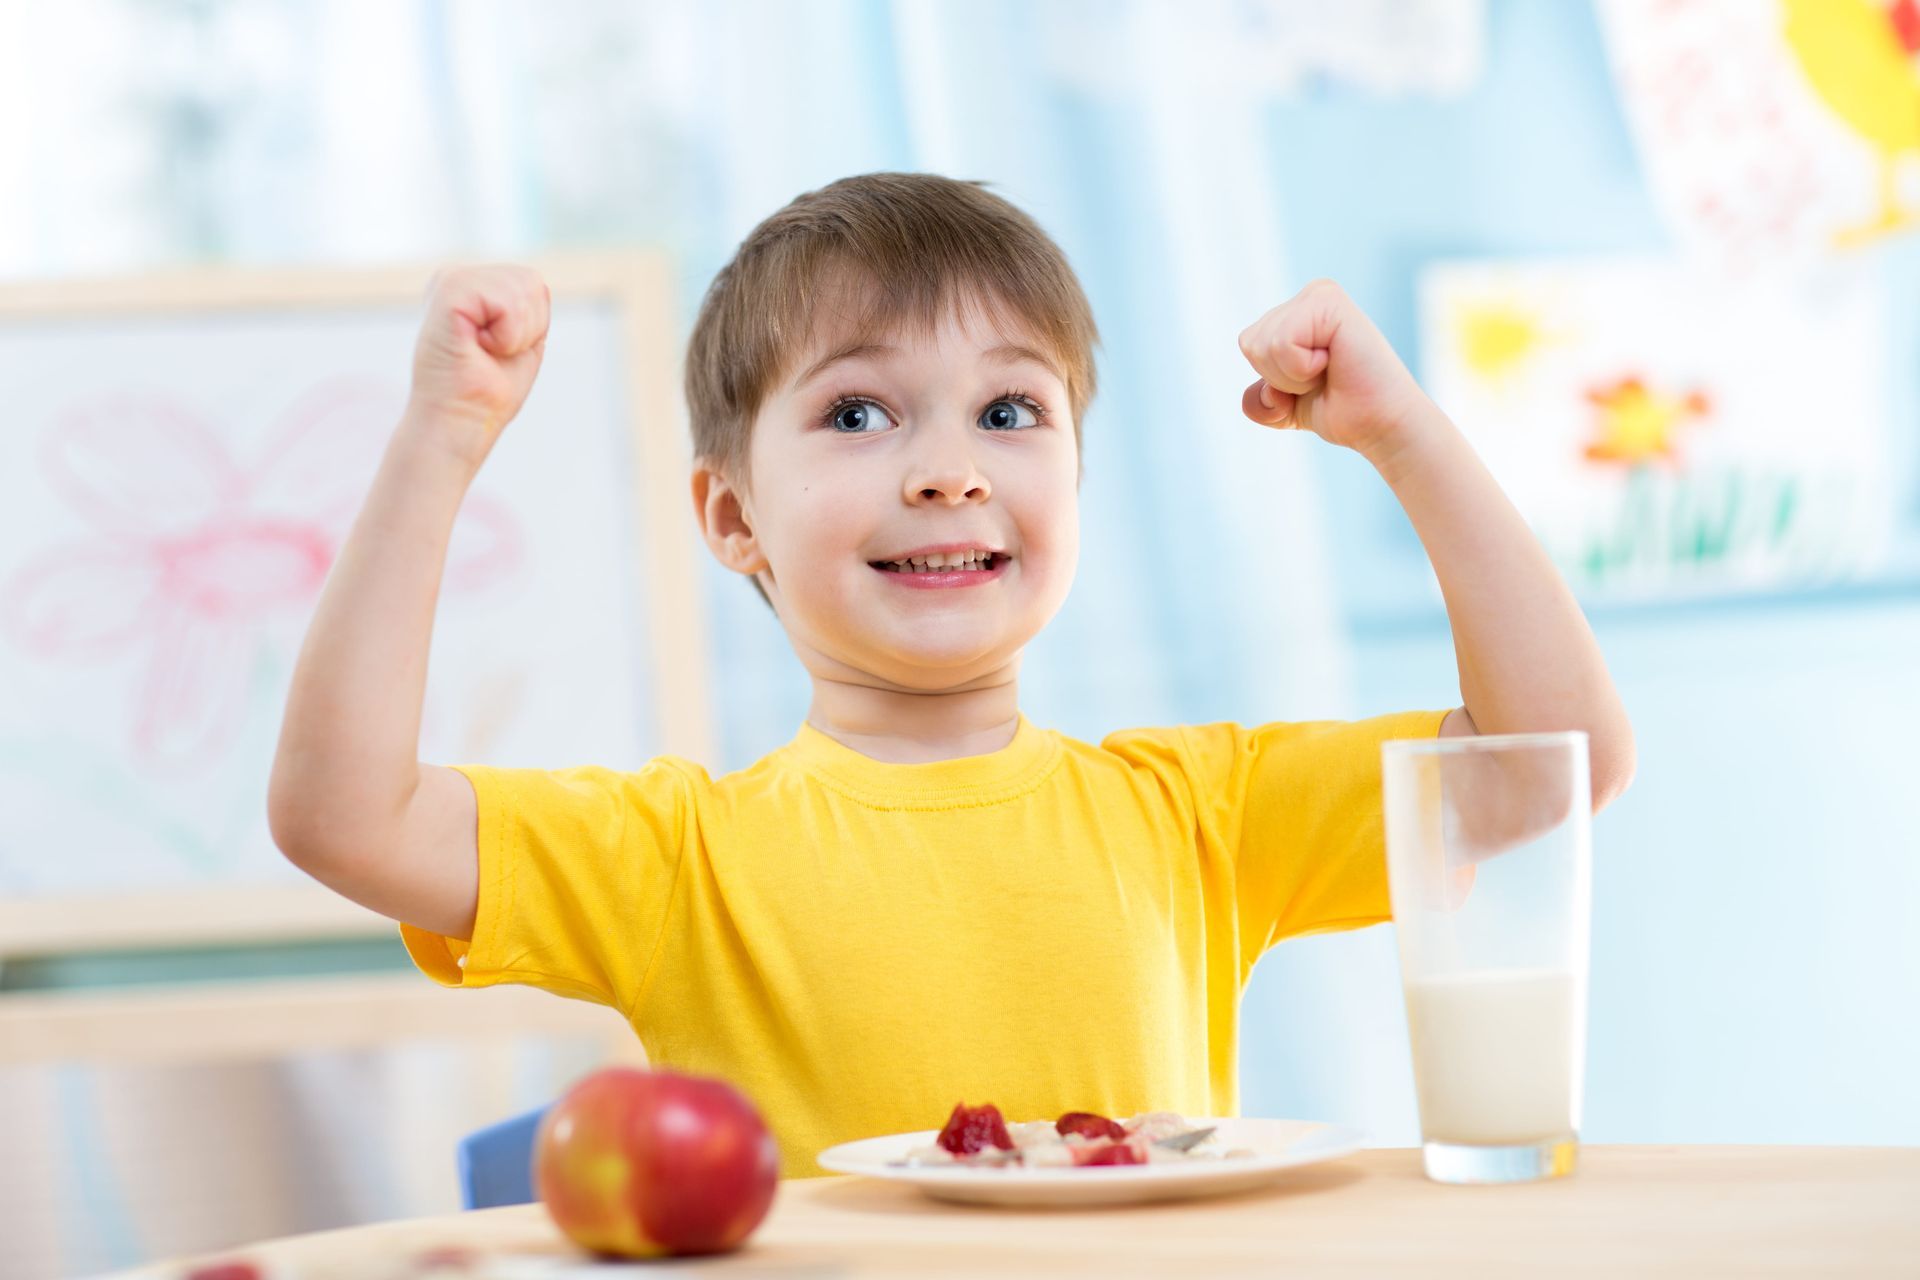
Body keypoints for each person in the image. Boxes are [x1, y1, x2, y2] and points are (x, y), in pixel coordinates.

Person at [268, 173, 1633, 1178]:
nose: (947, 467)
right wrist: (442, 439)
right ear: (733, 516)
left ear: (1076, 485)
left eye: (1009, 411)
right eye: (858, 412)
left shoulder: (1198, 816)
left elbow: (1555, 761)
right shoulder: (676, 854)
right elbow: (346, 817)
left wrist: (1404, 436)